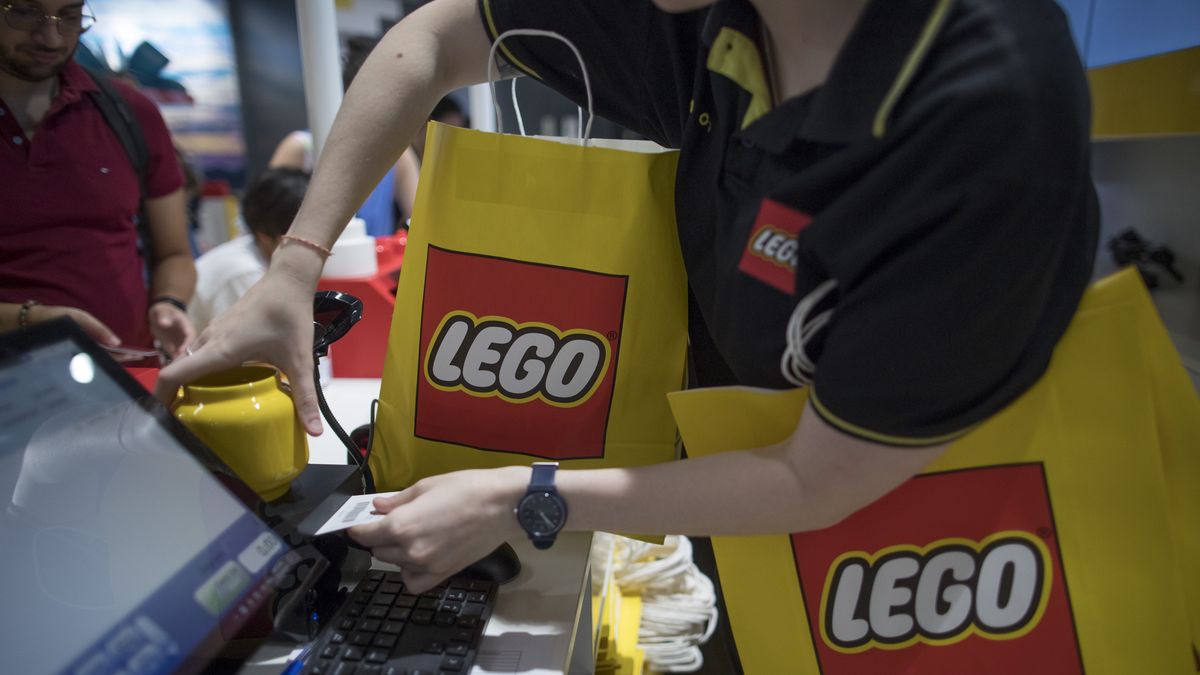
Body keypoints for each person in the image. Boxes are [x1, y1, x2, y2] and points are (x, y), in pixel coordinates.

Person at [158, 0, 1098, 601]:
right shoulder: (716, 20)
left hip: (949, 566)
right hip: (753, 512)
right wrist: (296, 266)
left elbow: (823, 478)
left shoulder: (985, 120)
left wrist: (528, 494)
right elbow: (440, 37)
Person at [0, 0, 195, 358]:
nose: (51, 37)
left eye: (70, 16)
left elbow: (176, 253)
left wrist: (169, 303)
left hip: (124, 373)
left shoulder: (130, 111)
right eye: (24, 11)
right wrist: (30, 319)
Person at [269, 35, 419, 236]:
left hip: (375, 263)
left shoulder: (399, 154)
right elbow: (265, 217)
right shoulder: (301, 148)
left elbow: (420, 219)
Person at [189, 168, 310, 334]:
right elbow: (248, 348)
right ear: (265, 235)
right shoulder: (244, 274)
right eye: (303, 235)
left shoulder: (258, 253)